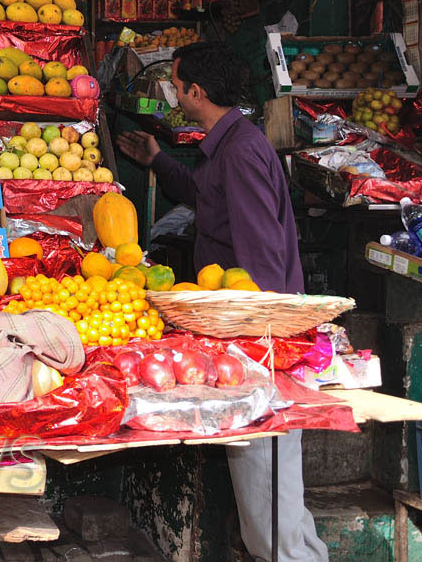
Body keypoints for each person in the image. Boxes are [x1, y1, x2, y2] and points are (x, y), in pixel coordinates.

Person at [117, 42, 326, 562]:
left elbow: (262, 257)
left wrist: (252, 341)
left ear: (196, 92)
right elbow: (210, 200)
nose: (173, 93)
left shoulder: (242, 150)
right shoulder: (227, 144)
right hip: (249, 332)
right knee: (272, 486)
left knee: (266, 472)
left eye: (177, 84)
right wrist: (159, 161)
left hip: (259, 336)